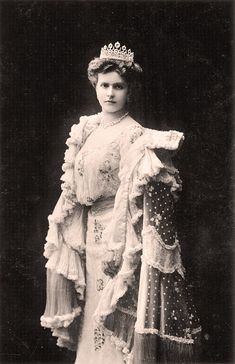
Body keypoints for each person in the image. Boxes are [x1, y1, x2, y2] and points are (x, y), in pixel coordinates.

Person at [41, 42, 201, 364]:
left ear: (130, 90)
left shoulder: (135, 135)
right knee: (91, 318)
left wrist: (120, 244)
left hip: (120, 237)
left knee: (111, 312)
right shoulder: (88, 129)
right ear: (95, 86)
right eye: (104, 85)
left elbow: (134, 197)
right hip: (89, 234)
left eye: (118, 86)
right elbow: (74, 187)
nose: (110, 93)